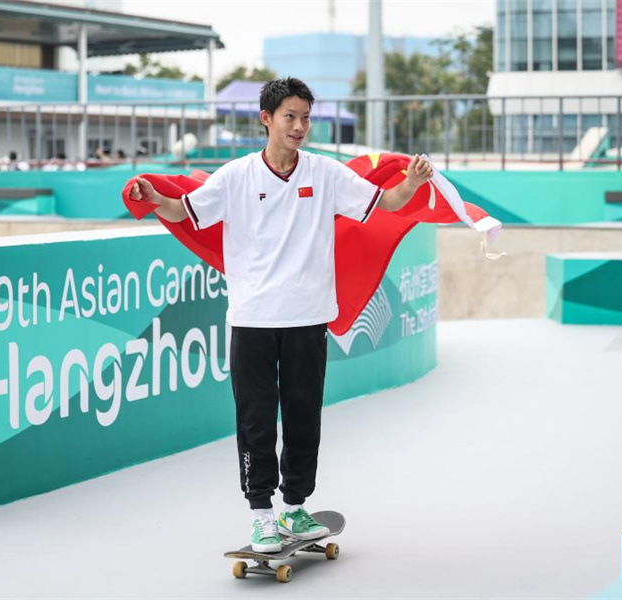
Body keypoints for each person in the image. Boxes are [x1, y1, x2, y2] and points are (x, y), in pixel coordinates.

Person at [129, 78, 433, 553]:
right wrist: (153, 198)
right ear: (265, 119)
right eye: (290, 116)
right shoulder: (235, 176)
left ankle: (294, 507)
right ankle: (262, 515)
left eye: (306, 117)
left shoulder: (326, 173)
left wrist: (411, 183)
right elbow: (185, 211)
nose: (299, 126)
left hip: (308, 317)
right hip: (252, 319)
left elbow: (386, 204)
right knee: (255, 420)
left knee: (303, 415)